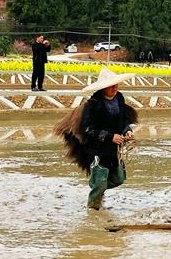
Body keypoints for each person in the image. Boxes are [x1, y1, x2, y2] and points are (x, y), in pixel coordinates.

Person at [54, 67, 138, 210]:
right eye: (111, 86)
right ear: (103, 88)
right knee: (99, 183)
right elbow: (88, 129)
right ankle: (93, 210)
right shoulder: (93, 104)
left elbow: (123, 120)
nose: (115, 88)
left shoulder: (119, 98)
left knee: (118, 179)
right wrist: (110, 137)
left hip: (113, 149)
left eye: (116, 85)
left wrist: (127, 131)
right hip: (96, 150)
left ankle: (98, 188)